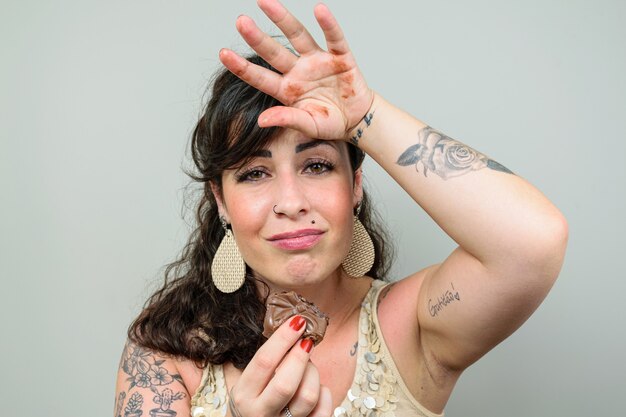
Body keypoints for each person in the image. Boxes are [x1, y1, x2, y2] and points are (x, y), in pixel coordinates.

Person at [114, 1, 568, 416]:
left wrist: (363, 114)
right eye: (254, 173)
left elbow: (532, 242)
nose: (291, 203)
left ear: (355, 186)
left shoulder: (412, 325)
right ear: (221, 201)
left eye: (316, 165)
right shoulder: (165, 354)